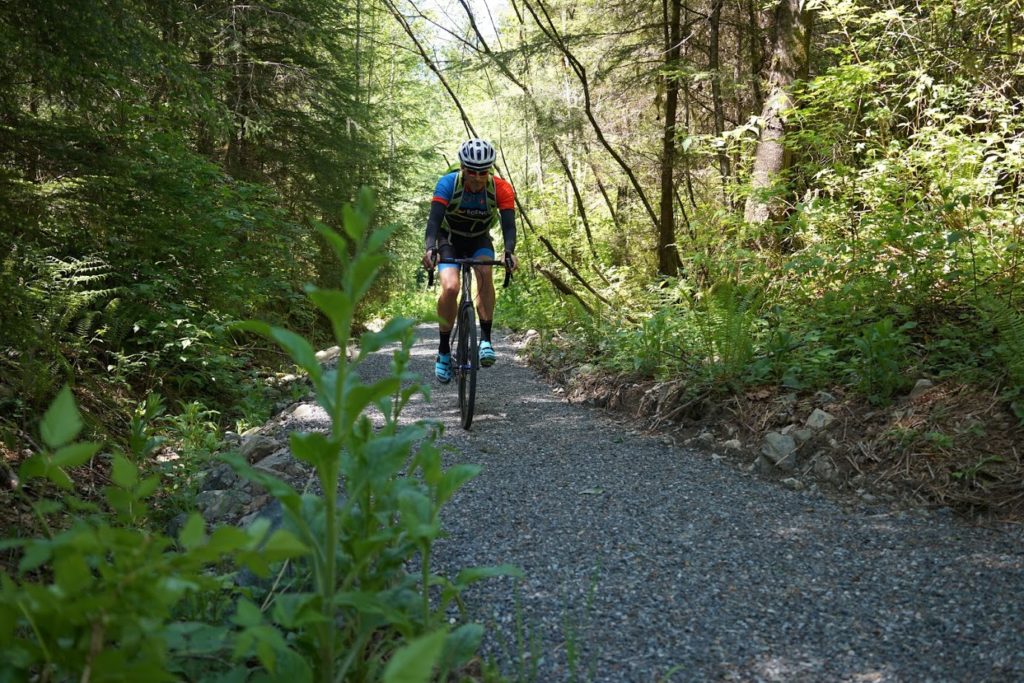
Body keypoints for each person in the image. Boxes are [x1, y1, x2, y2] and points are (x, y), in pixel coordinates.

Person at [422, 138, 519, 383]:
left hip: (479, 239)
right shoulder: (447, 184)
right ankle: (444, 351)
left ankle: (485, 339)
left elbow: (509, 226)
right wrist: (430, 249)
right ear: (463, 168)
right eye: (472, 171)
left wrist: (509, 252)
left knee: (485, 274)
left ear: (490, 170)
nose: (477, 177)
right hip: (449, 239)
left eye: (483, 172)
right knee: (451, 286)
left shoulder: (501, 189)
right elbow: (433, 221)